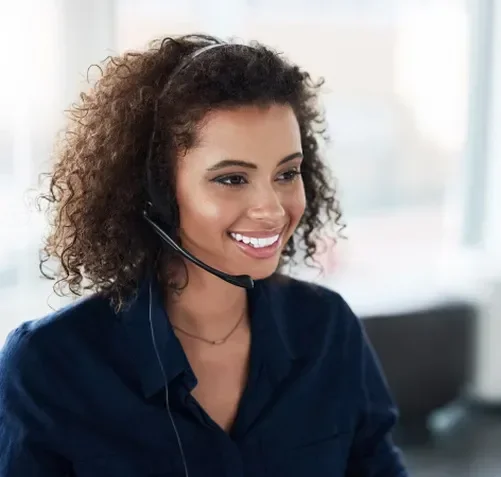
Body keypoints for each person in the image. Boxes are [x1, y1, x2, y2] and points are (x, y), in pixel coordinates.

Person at [0, 34, 408, 477]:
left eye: (287, 173)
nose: (272, 209)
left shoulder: (327, 329)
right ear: (157, 194)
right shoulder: (49, 364)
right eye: (232, 179)